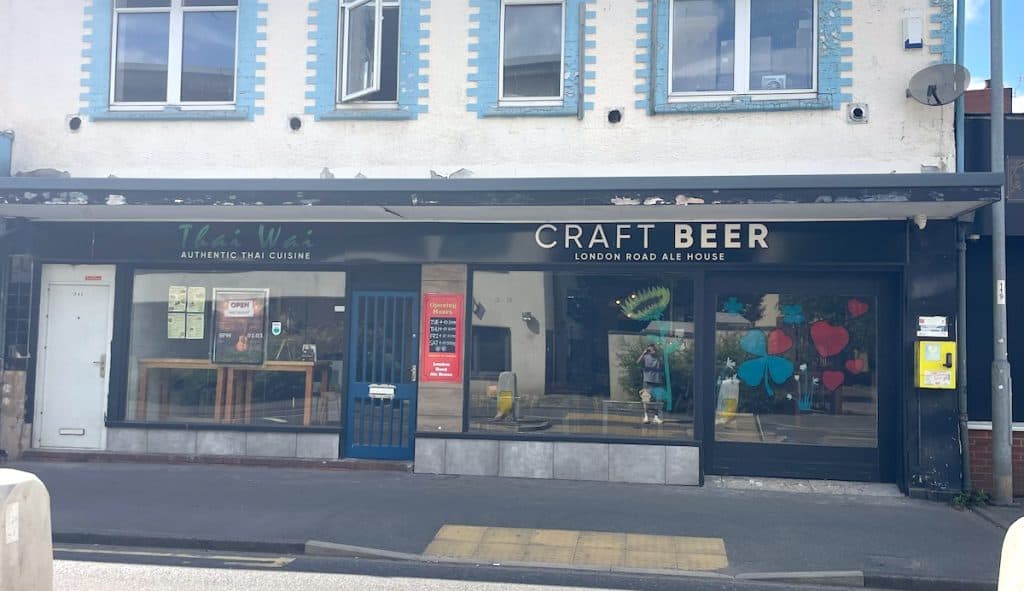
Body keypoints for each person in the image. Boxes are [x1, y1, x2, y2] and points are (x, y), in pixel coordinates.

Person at [637, 343, 664, 425]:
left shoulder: (658, 357)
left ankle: (656, 417)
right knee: (646, 399)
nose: (650, 351)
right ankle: (646, 416)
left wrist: (656, 352)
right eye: (649, 349)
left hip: (657, 381)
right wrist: (643, 353)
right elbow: (637, 362)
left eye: (651, 349)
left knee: (658, 400)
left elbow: (662, 361)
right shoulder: (645, 357)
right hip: (647, 381)